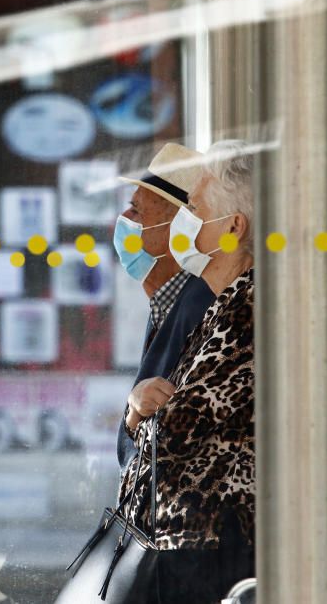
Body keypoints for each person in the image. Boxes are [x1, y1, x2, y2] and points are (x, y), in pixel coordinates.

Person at [120, 140, 256, 604]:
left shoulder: (245, 309)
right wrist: (141, 412)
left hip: (212, 555)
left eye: (193, 208)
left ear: (234, 227)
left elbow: (173, 431)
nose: (185, 220)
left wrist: (141, 415)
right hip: (194, 551)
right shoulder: (222, 304)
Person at [113, 143, 217, 475]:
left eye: (136, 210)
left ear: (178, 228)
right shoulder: (165, 304)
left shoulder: (201, 304)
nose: (124, 220)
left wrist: (133, 417)